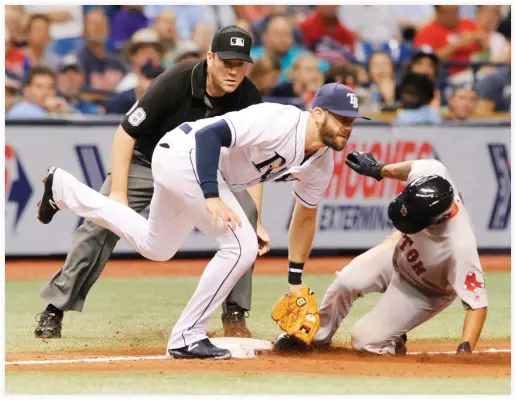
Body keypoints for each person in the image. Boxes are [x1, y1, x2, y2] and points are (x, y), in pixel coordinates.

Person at [36, 82, 371, 359]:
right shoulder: (281, 121)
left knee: (158, 246)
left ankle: (65, 188)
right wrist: (211, 196)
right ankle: (186, 336)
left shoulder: (321, 162)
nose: (348, 127)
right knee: (241, 246)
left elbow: (305, 217)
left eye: (352, 121)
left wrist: (295, 280)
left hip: (193, 167)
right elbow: (209, 135)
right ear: (317, 113)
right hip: (186, 154)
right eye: (342, 119)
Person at [33, 26, 265, 341]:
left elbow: (252, 162)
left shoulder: (248, 97)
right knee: (99, 225)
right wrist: (118, 194)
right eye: (227, 62)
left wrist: (257, 219)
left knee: (245, 219)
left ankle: (234, 311)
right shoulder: (176, 81)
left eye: (240, 64)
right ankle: (54, 309)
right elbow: (126, 133)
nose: (234, 70)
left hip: (202, 172)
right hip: (148, 161)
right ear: (210, 58)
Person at [276, 153, 488, 357]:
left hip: (423, 289)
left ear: (436, 221)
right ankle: (317, 337)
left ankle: (392, 343)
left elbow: (477, 306)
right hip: (398, 251)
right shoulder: (434, 172)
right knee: (345, 283)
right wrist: (378, 170)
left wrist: (465, 350)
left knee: (364, 340)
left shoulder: (460, 246)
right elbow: (413, 167)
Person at [414, 5, 487, 79]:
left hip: (475, 72)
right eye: (452, 12)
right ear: (439, 12)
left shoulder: (467, 24)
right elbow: (429, 60)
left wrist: (475, 37)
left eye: (457, 10)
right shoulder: (426, 32)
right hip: (445, 77)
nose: (457, 14)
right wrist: (458, 44)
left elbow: (486, 45)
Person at [77, 8, 127, 91]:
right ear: (83, 30)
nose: (97, 27)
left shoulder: (117, 62)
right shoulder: (78, 60)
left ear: (108, 29)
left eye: (101, 23)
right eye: (92, 24)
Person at [7, 66, 74, 118]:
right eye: (39, 86)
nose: (45, 91)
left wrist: (65, 109)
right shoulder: (21, 110)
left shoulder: (57, 108)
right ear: (26, 90)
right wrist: (59, 112)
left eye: (50, 87)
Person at [116, 28, 164, 93]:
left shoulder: (167, 80)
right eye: (144, 51)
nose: (150, 56)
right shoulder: (127, 85)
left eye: (154, 51)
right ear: (132, 56)